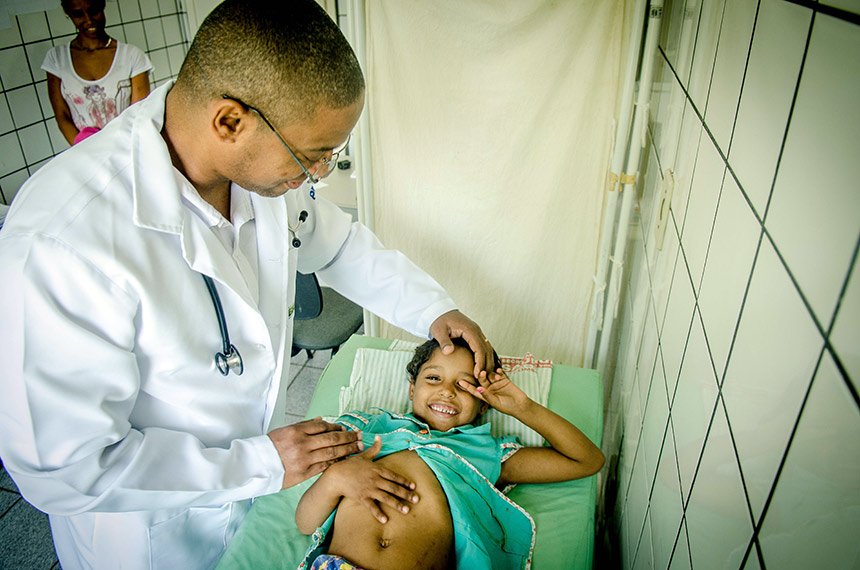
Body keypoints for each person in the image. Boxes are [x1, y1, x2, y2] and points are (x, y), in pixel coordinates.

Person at [0, 1, 497, 569]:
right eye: (312, 155)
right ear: (230, 121)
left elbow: (338, 245)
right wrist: (260, 464)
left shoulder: (261, 178)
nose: (319, 174)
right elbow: (65, 471)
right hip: (149, 536)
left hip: (253, 502)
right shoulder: (62, 242)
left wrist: (435, 311)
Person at [294, 338, 605, 569]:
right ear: (411, 388)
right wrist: (335, 479)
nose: (447, 391)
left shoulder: (484, 453)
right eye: (433, 378)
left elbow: (587, 460)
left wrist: (523, 408)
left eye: (465, 385)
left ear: (485, 403)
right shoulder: (369, 429)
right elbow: (306, 523)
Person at [42, 0, 152, 145]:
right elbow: (62, 116)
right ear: (68, 14)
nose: (88, 20)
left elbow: (139, 114)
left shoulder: (132, 56)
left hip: (128, 146)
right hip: (85, 152)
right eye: (78, 14)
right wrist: (90, 152)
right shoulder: (56, 59)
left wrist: (121, 150)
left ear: (102, 6)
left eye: (94, 11)